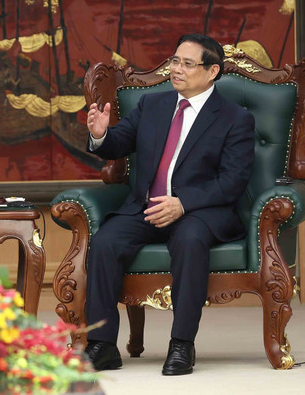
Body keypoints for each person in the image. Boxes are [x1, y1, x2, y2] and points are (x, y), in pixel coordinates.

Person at [83, 33, 255, 375]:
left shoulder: (234, 118)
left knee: (190, 240)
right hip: (145, 207)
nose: (176, 69)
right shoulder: (152, 105)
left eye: (187, 63)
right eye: (175, 60)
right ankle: (102, 345)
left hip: (199, 212)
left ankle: (181, 345)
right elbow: (117, 143)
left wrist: (183, 203)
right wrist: (101, 134)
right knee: (105, 242)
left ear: (212, 71)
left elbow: (233, 181)